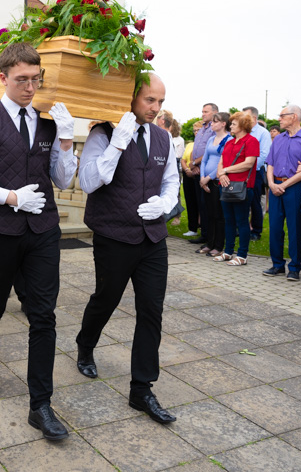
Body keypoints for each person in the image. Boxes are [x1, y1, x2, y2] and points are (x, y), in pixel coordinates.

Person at [0, 42, 77, 440]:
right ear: (3, 77)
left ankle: (40, 404)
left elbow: (62, 179)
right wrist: (9, 197)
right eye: (22, 79)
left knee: (43, 315)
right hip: (1, 230)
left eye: (35, 79)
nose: (29, 87)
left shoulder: (46, 122)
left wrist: (68, 142)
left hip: (43, 230)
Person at [75, 73, 179, 425]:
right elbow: (88, 181)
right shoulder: (102, 134)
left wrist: (164, 205)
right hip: (114, 235)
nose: (156, 108)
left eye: (161, 102)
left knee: (152, 311)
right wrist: (118, 143)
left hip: (153, 239)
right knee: (106, 298)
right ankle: (86, 343)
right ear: (131, 97)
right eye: (150, 100)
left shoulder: (164, 138)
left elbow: (171, 182)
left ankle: (142, 388)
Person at [263, 105, 301, 281]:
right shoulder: (278, 139)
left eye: (282, 116)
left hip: (294, 188)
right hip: (275, 186)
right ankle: (277, 265)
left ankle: (294, 267)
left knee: (295, 228)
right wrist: (271, 183)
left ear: (294, 117)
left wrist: (284, 186)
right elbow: (270, 163)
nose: (279, 119)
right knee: (275, 228)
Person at [214, 111, 259, 266]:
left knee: (241, 221)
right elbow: (221, 161)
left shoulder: (251, 141)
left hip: (242, 187)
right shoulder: (229, 142)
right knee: (229, 221)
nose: (230, 126)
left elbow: (248, 163)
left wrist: (226, 171)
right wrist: (221, 174)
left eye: (233, 123)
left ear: (242, 125)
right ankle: (228, 252)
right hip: (225, 185)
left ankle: (242, 255)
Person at [197, 112, 230, 257]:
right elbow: (205, 159)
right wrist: (202, 177)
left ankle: (218, 245)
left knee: (218, 214)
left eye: (215, 121)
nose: (212, 123)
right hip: (206, 180)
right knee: (208, 213)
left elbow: (222, 162)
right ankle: (209, 243)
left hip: (217, 182)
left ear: (223, 124)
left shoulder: (228, 140)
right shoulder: (211, 139)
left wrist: (209, 177)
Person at [188, 103, 218, 243]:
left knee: (208, 206)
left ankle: (209, 236)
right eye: (202, 111)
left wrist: (195, 163)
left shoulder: (214, 130)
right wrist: (193, 164)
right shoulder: (201, 129)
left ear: (214, 112)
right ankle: (204, 233)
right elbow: (197, 148)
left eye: (206, 111)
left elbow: (208, 151)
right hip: (197, 171)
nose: (203, 114)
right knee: (201, 204)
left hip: (207, 172)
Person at [242, 107, 271, 241]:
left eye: (246, 116)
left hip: (256, 172)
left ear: (254, 118)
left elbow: (264, 154)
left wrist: (249, 168)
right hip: (241, 171)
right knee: (242, 200)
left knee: (255, 202)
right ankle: (242, 228)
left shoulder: (263, 133)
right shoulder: (243, 132)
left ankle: (256, 230)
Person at [180, 121, 203, 237]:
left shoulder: (203, 145)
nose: (196, 132)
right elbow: (183, 159)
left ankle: (203, 227)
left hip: (199, 174)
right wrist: (187, 170)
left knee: (200, 202)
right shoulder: (190, 144)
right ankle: (192, 227)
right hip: (188, 174)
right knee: (190, 201)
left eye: (198, 130)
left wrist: (194, 168)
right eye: (195, 130)